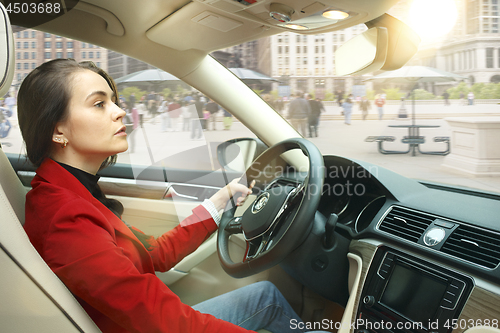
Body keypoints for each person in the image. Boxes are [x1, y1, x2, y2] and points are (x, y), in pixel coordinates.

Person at [17, 59, 330, 333]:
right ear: (58, 131)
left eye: (114, 101)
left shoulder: (72, 191)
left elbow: (152, 253)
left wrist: (218, 204)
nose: (120, 111)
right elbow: (165, 322)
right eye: (100, 104)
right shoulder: (66, 217)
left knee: (266, 296)